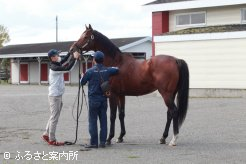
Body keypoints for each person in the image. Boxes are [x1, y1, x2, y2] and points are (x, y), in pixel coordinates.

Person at [80, 51, 119, 148]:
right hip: (103, 99)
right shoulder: (107, 70)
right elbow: (117, 69)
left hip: (93, 100)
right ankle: (102, 142)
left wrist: (82, 76)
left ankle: (93, 143)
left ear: (94, 60)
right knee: (103, 121)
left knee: (93, 121)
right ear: (103, 60)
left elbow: (82, 82)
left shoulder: (89, 71)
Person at [42, 49, 80, 146]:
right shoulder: (54, 68)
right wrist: (75, 58)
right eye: (57, 55)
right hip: (55, 96)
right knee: (54, 117)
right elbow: (68, 68)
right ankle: (52, 139)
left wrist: (70, 52)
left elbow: (64, 60)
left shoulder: (56, 63)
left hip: (57, 95)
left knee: (53, 116)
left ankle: (46, 134)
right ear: (52, 57)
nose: (59, 56)